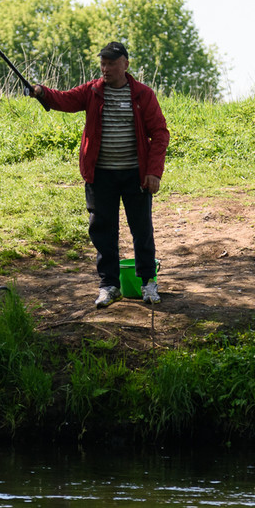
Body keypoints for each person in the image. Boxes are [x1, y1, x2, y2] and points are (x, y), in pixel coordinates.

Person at [30, 41, 170, 308]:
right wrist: (42, 92)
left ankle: (148, 283)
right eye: (103, 64)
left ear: (125, 64)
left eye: (111, 64)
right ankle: (109, 286)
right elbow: (65, 99)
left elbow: (160, 133)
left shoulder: (143, 94)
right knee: (103, 231)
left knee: (142, 229)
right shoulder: (92, 91)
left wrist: (154, 172)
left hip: (136, 175)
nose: (105, 69)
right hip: (100, 175)